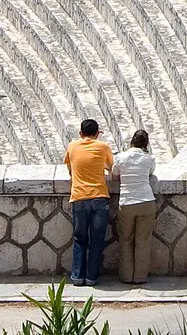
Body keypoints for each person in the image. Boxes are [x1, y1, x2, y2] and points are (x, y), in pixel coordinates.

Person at [64, 118, 115, 286]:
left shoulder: (72, 146)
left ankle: (77, 276)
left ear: (80, 134)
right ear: (97, 134)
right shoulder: (103, 147)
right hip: (99, 197)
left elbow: (70, 169)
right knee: (96, 239)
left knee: (79, 238)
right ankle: (92, 277)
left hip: (79, 197)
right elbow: (111, 168)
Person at [112, 129, 158, 285]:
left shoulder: (120, 158)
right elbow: (151, 173)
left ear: (131, 141)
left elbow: (114, 175)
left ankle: (126, 276)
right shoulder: (149, 159)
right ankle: (140, 277)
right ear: (146, 144)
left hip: (127, 203)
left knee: (126, 240)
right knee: (143, 241)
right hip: (146, 201)